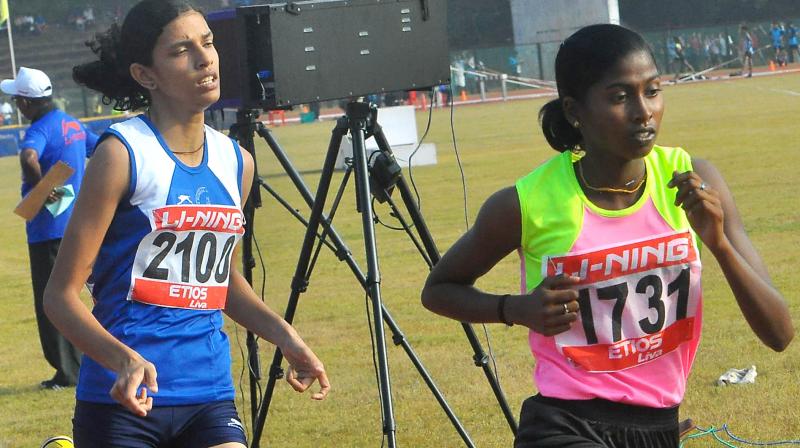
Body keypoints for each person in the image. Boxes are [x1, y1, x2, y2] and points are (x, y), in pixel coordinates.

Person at [421, 24, 793, 448]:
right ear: (575, 110)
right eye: (620, 97)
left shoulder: (693, 180)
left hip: (658, 425)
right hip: (564, 424)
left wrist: (719, 243)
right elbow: (439, 289)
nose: (643, 111)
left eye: (652, 91)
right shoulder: (526, 202)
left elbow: (779, 334)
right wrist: (516, 308)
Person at [44, 1, 330, 446]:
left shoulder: (238, 162)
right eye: (181, 50)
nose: (205, 59)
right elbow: (60, 297)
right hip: (123, 400)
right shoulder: (122, 154)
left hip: (209, 395)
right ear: (145, 74)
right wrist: (122, 360)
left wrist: (286, 337)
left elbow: (224, 283)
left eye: (208, 43)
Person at [1, 66, 98, 390]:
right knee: (72, 296)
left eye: (17, 100)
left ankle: (68, 371)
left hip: (47, 229)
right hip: (77, 224)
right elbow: (98, 147)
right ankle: (79, 366)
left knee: (51, 301)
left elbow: (29, 157)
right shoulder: (71, 123)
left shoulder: (39, 129)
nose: (16, 106)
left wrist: (42, 187)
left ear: (27, 104)